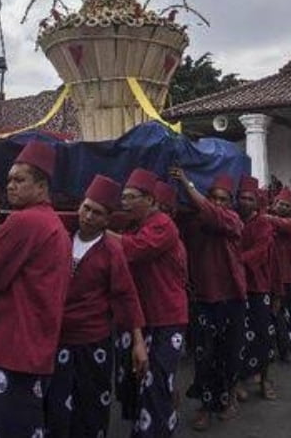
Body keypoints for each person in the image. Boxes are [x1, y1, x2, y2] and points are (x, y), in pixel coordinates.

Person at [0, 141, 71, 438]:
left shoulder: (25, 220)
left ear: (42, 185)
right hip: (35, 346)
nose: (11, 186)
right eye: (8, 180)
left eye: (20, 180)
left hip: (10, 348)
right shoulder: (52, 223)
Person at [46, 174, 148, 438]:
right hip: (56, 338)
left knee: (90, 408)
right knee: (54, 407)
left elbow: (127, 296)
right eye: (86, 208)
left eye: (98, 213)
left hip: (93, 342)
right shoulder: (60, 238)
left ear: (107, 219)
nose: (89, 216)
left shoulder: (112, 251)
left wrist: (138, 342)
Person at [170, 168, 245, 432]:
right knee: (204, 357)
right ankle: (205, 405)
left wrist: (187, 184)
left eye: (223, 198)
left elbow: (213, 215)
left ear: (231, 203)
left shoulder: (233, 220)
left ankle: (227, 399)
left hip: (232, 297)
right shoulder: (195, 223)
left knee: (229, 354)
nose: (217, 203)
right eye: (213, 197)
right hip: (203, 297)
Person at [115, 168, 188, 438]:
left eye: (132, 197)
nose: (125, 202)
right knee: (140, 383)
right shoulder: (134, 225)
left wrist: (99, 230)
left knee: (155, 383)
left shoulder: (163, 224)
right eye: (123, 197)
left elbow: (132, 250)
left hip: (166, 317)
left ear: (150, 200)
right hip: (141, 317)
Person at [236, 175, 281, 401]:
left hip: (258, 287)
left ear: (256, 202)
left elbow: (261, 252)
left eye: (249, 198)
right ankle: (239, 380)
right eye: (241, 197)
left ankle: (264, 380)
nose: (244, 202)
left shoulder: (263, 223)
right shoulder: (232, 220)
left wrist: (235, 261)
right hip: (236, 288)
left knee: (263, 336)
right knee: (238, 337)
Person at [269, 187, 291, 361]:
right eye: (280, 204)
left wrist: (264, 217)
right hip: (274, 278)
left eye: (286, 205)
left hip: (290, 276)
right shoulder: (269, 222)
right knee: (277, 313)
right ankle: (284, 346)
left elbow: (282, 224)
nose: (282, 207)